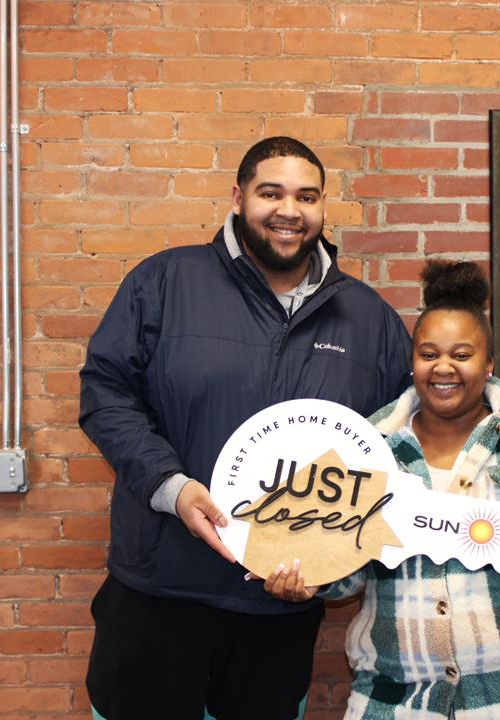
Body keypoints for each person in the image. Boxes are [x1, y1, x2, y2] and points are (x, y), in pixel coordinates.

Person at [79, 136, 413, 720]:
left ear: (323, 206)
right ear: (238, 198)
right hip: (160, 589)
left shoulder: (370, 320)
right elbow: (106, 395)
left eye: (306, 196)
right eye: (271, 193)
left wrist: (333, 565)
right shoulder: (163, 283)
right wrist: (171, 487)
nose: (289, 210)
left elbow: (395, 451)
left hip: (278, 606)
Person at [265, 260, 500, 719]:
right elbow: (351, 574)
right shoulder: (367, 449)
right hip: (399, 700)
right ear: (412, 360)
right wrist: (312, 579)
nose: (443, 367)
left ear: (488, 363)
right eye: (429, 354)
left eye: (461, 355)